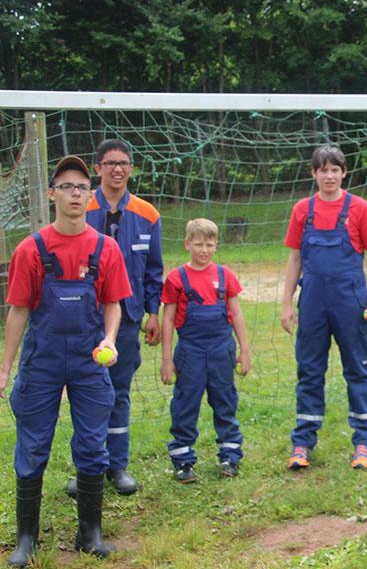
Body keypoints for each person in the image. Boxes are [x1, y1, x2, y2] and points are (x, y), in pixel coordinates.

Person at [0, 155, 132, 565]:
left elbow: (113, 304)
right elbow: (19, 310)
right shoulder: (31, 249)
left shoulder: (104, 248)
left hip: (90, 360)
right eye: (66, 186)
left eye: (81, 187)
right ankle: (26, 538)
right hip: (42, 361)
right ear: (52, 193)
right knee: (33, 443)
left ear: (88, 196)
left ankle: (89, 534)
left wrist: (110, 338)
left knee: (93, 444)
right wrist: (5, 367)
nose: (74, 194)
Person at [280, 145, 367, 470]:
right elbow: (295, 258)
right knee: (309, 371)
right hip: (313, 304)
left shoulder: (359, 208)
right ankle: (302, 443)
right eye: (323, 170)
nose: (329, 176)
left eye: (335, 169)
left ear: (344, 173)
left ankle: (363, 443)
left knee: (357, 370)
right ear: (313, 173)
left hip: (350, 303)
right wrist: (287, 303)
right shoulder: (303, 210)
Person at [62, 139, 162, 498]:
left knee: (118, 392)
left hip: (128, 317)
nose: (117, 169)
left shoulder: (148, 214)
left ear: (131, 169)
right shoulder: (79, 207)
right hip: (83, 319)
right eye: (110, 163)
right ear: (98, 168)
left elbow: (154, 270)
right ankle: (86, 468)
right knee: (84, 393)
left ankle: (117, 466)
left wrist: (153, 312)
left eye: (124, 162)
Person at [160, 218, 251, 483]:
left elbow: (236, 314)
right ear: (187, 244)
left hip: (222, 349)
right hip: (190, 351)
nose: (203, 250)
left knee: (225, 400)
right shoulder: (177, 277)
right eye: (198, 244)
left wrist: (244, 350)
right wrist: (167, 359)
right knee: (185, 403)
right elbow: (167, 320)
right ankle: (183, 459)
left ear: (216, 245)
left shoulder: (225, 276)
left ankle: (230, 455)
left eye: (209, 244)